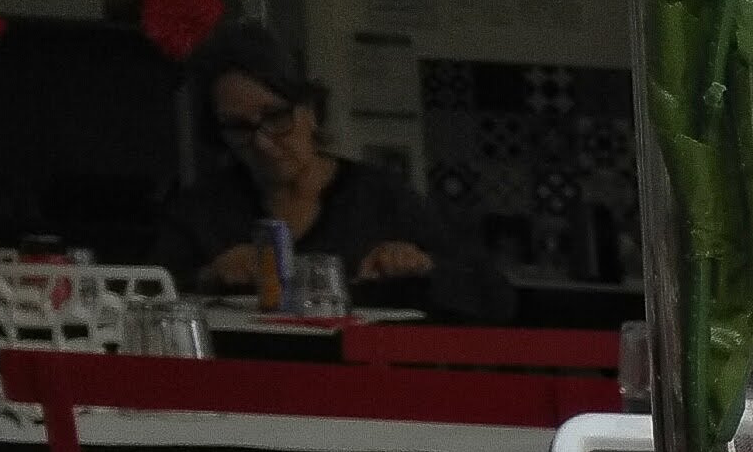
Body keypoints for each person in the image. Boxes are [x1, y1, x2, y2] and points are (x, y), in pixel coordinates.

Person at [154, 25, 509, 322]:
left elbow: (496, 298)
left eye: (276, 117)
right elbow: (146, 300)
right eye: (238, 127)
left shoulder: (379, 198)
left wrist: (422, 266)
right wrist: (208, 277)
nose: (262, 143)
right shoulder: (203, 211)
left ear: (310, 111)